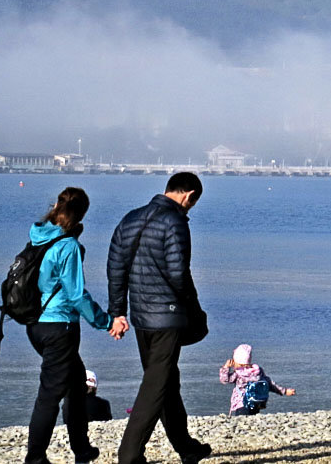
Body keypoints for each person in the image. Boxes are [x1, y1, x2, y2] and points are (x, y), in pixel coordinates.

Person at [107, 172, 212, 464]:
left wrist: (117, 312)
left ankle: (186, 447)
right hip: (168, 317)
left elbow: (116, 267)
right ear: (188, 195)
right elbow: (179, 274)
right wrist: (194, 309)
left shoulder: (130, 219)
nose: (190, 208)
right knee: (156, 386)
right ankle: (129, 455)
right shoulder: (175, 222)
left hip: (142, 317)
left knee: (166, 380)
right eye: (193, 203)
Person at [23, 187, 113, 464]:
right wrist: (105, 321)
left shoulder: (39, 237)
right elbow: (76, 294)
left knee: (75, 384)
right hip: (59, 326)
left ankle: (82, 449)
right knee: (49, 396)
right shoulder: (68, 246)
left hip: (35, 324)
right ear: (81, 213)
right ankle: (35, 458)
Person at [219, 344, 296, 415]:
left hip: (242, 404)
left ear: (238, 362)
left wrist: (226, 367)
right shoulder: (257, 371)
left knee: (242, 421)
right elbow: (270, 384)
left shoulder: (238, 374)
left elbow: (224, 380)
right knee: (253, 418)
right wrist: (285, 391)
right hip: (257, 403)